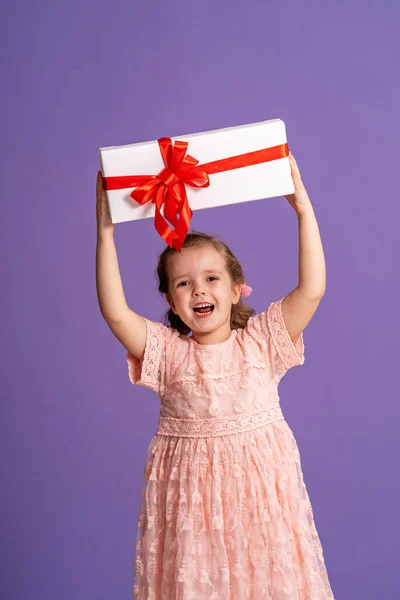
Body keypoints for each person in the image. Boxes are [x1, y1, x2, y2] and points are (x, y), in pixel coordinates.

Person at [95, 152, 334, 599]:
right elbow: (114, 312)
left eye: (210, 278)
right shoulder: (166, 353)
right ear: (169, 297)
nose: (199, 289)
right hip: (193, 517)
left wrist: (303, 209)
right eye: (183, 283)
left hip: (261, 508)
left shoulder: (262, 341)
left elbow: (313, 288)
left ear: (236, 286)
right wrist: (106, 233)